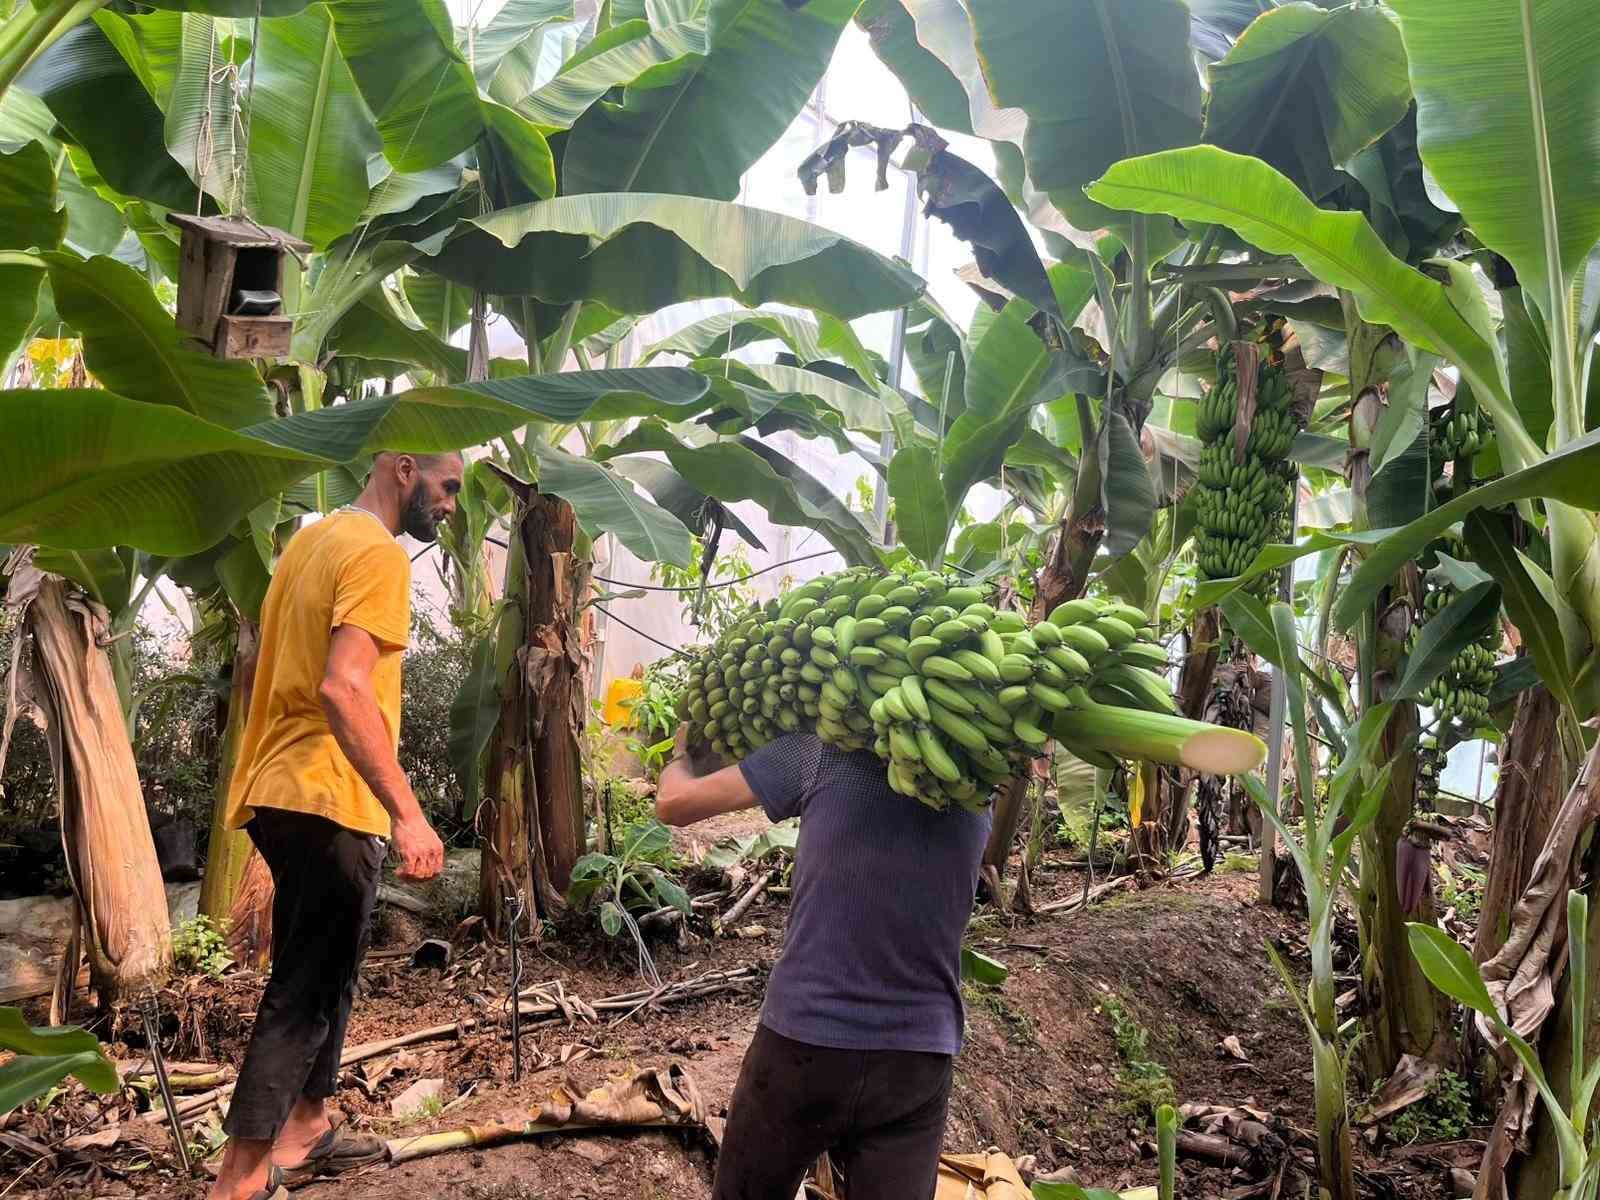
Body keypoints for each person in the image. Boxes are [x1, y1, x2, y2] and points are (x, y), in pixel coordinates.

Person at [208, 451, 463, 1200]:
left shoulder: (308, 544)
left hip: (279, 791)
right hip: (329, 796)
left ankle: (308, 1127)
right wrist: (409, 814)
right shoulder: (377, 555)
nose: (451, 506)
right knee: (306, 988)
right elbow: (343, 687)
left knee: (330, 963)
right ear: (404, 469)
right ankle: (238, 1181)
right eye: (448, 487)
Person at [655, 724, 991, 1200]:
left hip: (803, 1046)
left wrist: (682, 755)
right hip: (916, 1060)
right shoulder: (979, 781)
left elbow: (674, 803)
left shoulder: (820, 752)